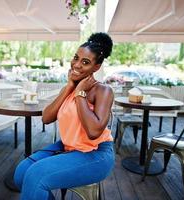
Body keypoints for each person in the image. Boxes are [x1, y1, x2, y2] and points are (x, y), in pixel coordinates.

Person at [13, 32, 115, 199]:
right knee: (21, 173)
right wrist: (69, 87)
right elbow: (46, 118)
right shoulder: (70, 88)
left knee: (36, 175)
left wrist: (80, 93)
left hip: (96, 154)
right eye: (76, 58)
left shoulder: (103, 90)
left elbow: (94, 131)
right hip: (68, 147)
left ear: (96, 67)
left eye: (85, 62)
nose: (77, 64)